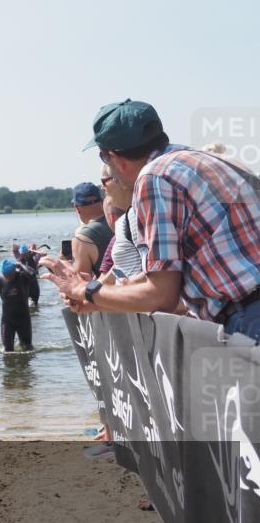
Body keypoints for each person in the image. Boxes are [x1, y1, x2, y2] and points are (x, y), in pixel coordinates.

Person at [42, 99, 260, 342]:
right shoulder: (209, 160)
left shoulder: (154, 178)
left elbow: (161, 296)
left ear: (116, 158)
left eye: (103, 158)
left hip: (250, 317)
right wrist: (101, 298)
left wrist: (86, 290)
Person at [0, 258, 34, 353]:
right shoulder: (0, 281)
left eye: (9, 275)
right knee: (8, 351)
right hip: (8, 321)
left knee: (28, 348)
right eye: (5, 275)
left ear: (14, 271)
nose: (7, 277)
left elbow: (33, 273)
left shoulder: (23, 277)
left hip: (23, 319)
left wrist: (21, 265)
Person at [69, 182, 113, 277]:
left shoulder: (82, 238)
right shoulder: (119, 221)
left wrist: (64, 262)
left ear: (77, 208)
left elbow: (81, 284)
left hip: (107, 290)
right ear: (102, 201)